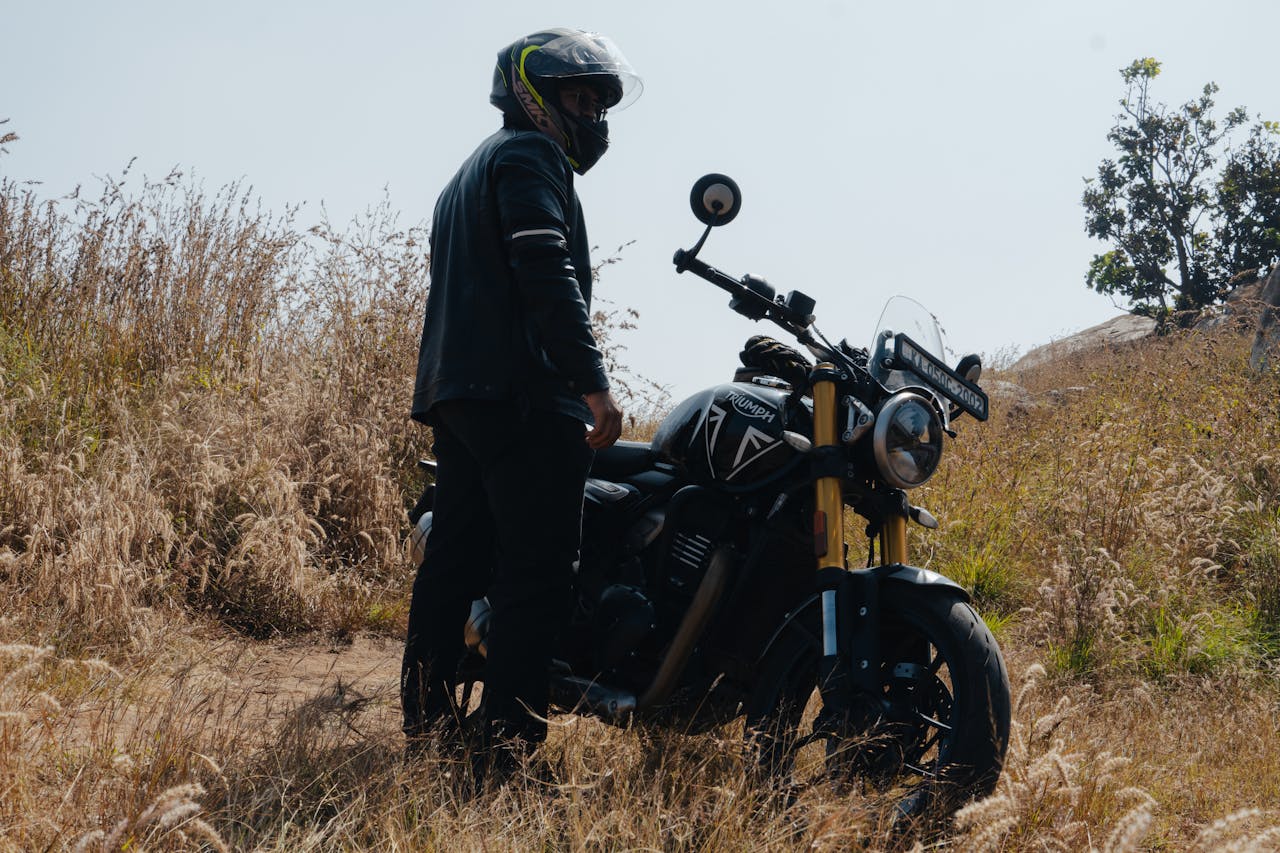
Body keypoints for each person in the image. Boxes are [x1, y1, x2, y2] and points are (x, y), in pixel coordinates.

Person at [402, 28, 641, 771]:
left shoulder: (469, 171)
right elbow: (545, 268)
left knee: (457, 558)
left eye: (599, 103)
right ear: (532, 95)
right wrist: (591, 383)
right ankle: (506, 761)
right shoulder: (531, 156)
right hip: (522, 395)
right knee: (536, 576)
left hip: (460, 391)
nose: (591, 115)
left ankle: (430, 728)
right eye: (577, 97)